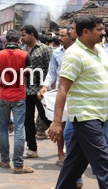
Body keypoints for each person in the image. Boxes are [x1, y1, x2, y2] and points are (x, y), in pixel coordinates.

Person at [49, 16, 108, 188]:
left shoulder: (100, 50)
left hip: (101, 114)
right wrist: (56, 122)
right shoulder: (74, 54)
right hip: (86, 116)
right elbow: (63, 89)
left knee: (73, 166)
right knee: (104, 164)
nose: (103, 32)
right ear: (86, 32)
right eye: (99, 29)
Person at [0, 30, 34, 174]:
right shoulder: (25, 55)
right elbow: (29, 73)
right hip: (19, 95)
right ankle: (18, 165)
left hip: (3, 95)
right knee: (19, 129)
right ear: (18, 41)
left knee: (3, 128)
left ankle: (4, 161)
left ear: (6, 40)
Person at [37, 26, 75, 166]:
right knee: (61, 124)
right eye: (59, 35)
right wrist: (45, 86)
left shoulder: (80, 52)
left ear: (72, 36)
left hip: (77, 93)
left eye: (63, 35)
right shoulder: (57, 53)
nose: (60, 38)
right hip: (61, 92)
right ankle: (61, 153)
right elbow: (52, 73)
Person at [19, 25, 52, 158]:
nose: (21, 38)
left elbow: (51, 70)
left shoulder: (44, 49)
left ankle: (65, 143)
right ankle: (32, 148)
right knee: (28, 120)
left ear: (32, 35)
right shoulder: (22, 50)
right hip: (27, 91)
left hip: (41, 90)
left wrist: (49, 88)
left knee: (46, 118)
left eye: (23, 35)